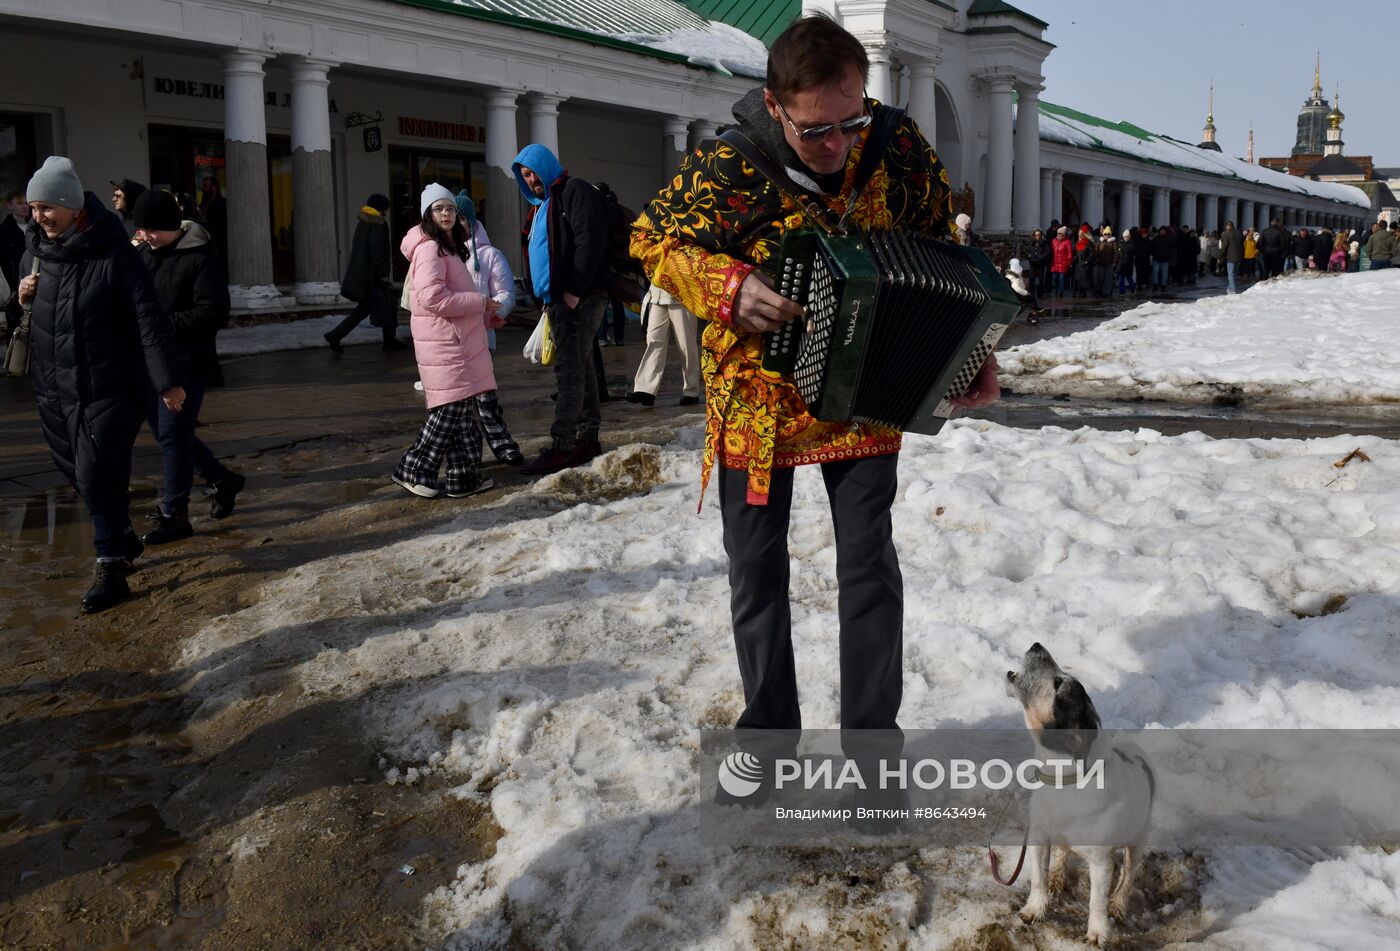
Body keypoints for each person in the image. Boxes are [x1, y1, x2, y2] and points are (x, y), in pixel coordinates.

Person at [630, 13, 998, 745]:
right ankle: (767, 737)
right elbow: (652, 240)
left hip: (865, 398)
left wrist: (973, 350)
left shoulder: (896, 148)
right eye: (814, 131)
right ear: (774, 107)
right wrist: (726, 285)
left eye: (850, 121)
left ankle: (872, 751)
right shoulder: (726, 169)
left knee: (869, 569)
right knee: (756, 573)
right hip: (755, 406)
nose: (837, 145)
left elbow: (940, 244)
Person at [18, 157, 183, 612]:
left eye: (47, 207)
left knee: (96, 472)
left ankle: (110, 564)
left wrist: (167, 382)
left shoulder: (116, 254)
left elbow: (149, 320)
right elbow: (32, 320)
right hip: (53, 387)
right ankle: (124, 536)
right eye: (33, 208)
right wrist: (22, 298)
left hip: (110, 385)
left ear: (72, 206)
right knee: (78, 473)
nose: (39, 217)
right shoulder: (36, 250)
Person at [131, 189, 243, 541]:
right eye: (141, 228)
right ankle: (222, 479)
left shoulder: (199, 256)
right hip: (149, 362)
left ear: (171, 226)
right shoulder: (145, 255)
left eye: (153, 229)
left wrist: (159, 323)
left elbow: (212, 312)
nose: (146, 235)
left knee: (172, 437)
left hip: (187, 362)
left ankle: (174, 513)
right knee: (174, 435)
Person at [391, 184, 503, 498]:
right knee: (449, 410)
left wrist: (485, 314)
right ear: (428, 213)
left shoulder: (447, 245)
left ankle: (463, 478)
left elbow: (455, 297)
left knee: (463, 411)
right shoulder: (430, 248)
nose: (446, 214)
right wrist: (479, 302)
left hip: (457, 340)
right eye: (439, 208)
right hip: (445, 343)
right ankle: (412, 468)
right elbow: (431, 298)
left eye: (451, 209)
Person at [512, 143, 611, 476]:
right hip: (557, 299)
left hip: (579, 296)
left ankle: (563, 446)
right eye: (524, 175)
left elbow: (589, 241)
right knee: (579, 365)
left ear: (546, 166)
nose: (530, 179)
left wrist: (573, 291)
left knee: (568, 370)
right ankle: (587, 438)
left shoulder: (574, 192)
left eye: (533, 172)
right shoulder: (543, 205)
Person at [454, 189, 524, 466]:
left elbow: (505, 291)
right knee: (456, 404)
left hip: (481, 336)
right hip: (447, 340)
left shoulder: (489, 255)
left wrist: (498, 310)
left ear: (471, 221)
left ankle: (502, 444)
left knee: (485, 397)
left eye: (461, 219)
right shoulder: (439, 254)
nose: (456, 224)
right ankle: (465, 456)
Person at [327, 193, 403, 351]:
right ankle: (389, 342)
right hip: (373, 276)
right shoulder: (377, 223)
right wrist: (382, 274)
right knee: (387, 303)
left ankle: (336, 335)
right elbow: (376, 251)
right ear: (382, 208)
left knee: (365, 309)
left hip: (366, 275)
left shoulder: (363, 222)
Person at [625, 283, 701, 406]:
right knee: (654, 340)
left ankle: (691, 390)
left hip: (681, 294)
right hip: (656, 293)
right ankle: (646, 390)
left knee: (686, 344)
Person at [1, 190, 28, 339]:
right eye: (19, 203)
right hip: (14, 287)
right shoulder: (4, 232)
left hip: (35, 283)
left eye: (26, 203)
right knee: (16, 330)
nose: (24, 206)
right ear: (10, 206)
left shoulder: (35, 228)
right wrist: (10, 288)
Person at [1220, 220, 1244, 294]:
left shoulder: (1226, 234)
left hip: (1230, 257)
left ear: (1227, 226)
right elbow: (1242, 245)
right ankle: (1229, 289)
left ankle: (1233, 291)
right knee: (1234, 274)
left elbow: (1224, 247)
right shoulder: (1239, 234)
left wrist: (1220, 256)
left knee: (1230, 274)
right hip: (1238, 257)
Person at [1026, 228, 1051, 300]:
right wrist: (1030, 256)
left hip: (1040, 264)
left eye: (1039, 235)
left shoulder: (1044, 243)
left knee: (1041, 279)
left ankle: (1040, 293)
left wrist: (1040, 257)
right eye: (1036, 235)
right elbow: (1027, 250)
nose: (1037, 236)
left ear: (1041, 235)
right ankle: (1031, 293)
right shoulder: (1031, 242)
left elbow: (1047, 252)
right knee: (1031, 278)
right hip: (1032, 264)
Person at [1150, 225, 1174, 291]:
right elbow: (1152, 247)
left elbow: (1172, 248)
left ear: (1166, 231)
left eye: (1164, 230)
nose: (1162, 232)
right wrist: (1154, 253)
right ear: (1159, 231)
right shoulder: (1156, 238)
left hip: (1165, 259)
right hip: (1156, 259)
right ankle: (1155, 285)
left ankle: (1163, 285)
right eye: (1161, 230)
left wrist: (1168, 254)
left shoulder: (1169, 239)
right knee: (1155, 272)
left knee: (1164, 273)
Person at [1050, 225, 1072, 296]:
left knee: (1061, 279)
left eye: (1059, 233)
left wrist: (1068, 263)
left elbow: (1069, 253)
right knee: (1054, 280)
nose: (1058, 235)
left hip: (1063, 263)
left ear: (1063, 235)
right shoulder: (1054, 241)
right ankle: (1057, 290)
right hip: (1054, 263)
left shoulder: (1067, 242)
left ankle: (1060, 292)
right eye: (1057, 233)